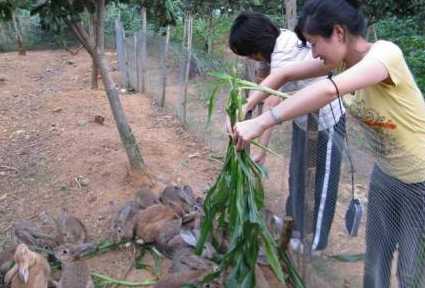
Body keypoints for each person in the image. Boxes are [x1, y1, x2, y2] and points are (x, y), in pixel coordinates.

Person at [230, 1, 425, 287]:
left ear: (338, 33)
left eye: (313, 43)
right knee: (375, 262)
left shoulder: (385, 55)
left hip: (420, 180)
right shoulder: (342, 61)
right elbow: (283, 74)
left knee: (411, 270)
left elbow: (326, 90)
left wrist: (262, 122)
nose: (313, 53)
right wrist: (246, 105)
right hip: (384, 174)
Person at [229, 12, 346, 253]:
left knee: (321, 183)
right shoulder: (277, 41)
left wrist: (260, 150)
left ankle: (314, 240)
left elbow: (272, 103)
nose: (252, 58)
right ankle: (295, 226)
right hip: (303, 119)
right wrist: (244, 106)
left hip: (326, 122)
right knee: (297, 173)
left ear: (256, 46)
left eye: (249, 53)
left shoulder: (283, 54)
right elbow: (263, 83)